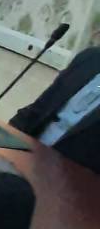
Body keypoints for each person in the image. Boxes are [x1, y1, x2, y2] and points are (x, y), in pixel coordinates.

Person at [11, 38, 100, 173]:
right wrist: (4, 138)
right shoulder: (90, 58)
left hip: (73, 177)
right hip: (28, 153)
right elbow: (38, 109)